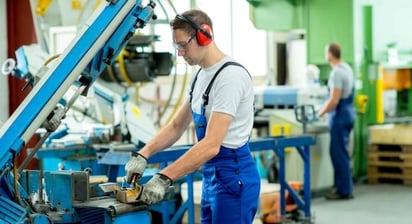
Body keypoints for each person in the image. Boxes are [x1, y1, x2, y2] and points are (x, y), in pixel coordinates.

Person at [125, 9, 261, 223]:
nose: (180, 53)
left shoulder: (230, 77)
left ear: (204, 35)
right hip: (211, 176)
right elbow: (177, 126)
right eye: (176, 46)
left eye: (183, 45)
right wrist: (143, 154)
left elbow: (211, 144)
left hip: (234, 177)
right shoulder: (199, 75)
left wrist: (164, 177)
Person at [317, 42, 355, 200]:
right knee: (343, 153)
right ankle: (344, 186)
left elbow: (334, 100)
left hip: (339, 116)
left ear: (331, 54)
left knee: (338, 154)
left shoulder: (336, 74)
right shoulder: (347, 68)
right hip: (348, 113)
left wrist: (320, 112)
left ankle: (343, 190)